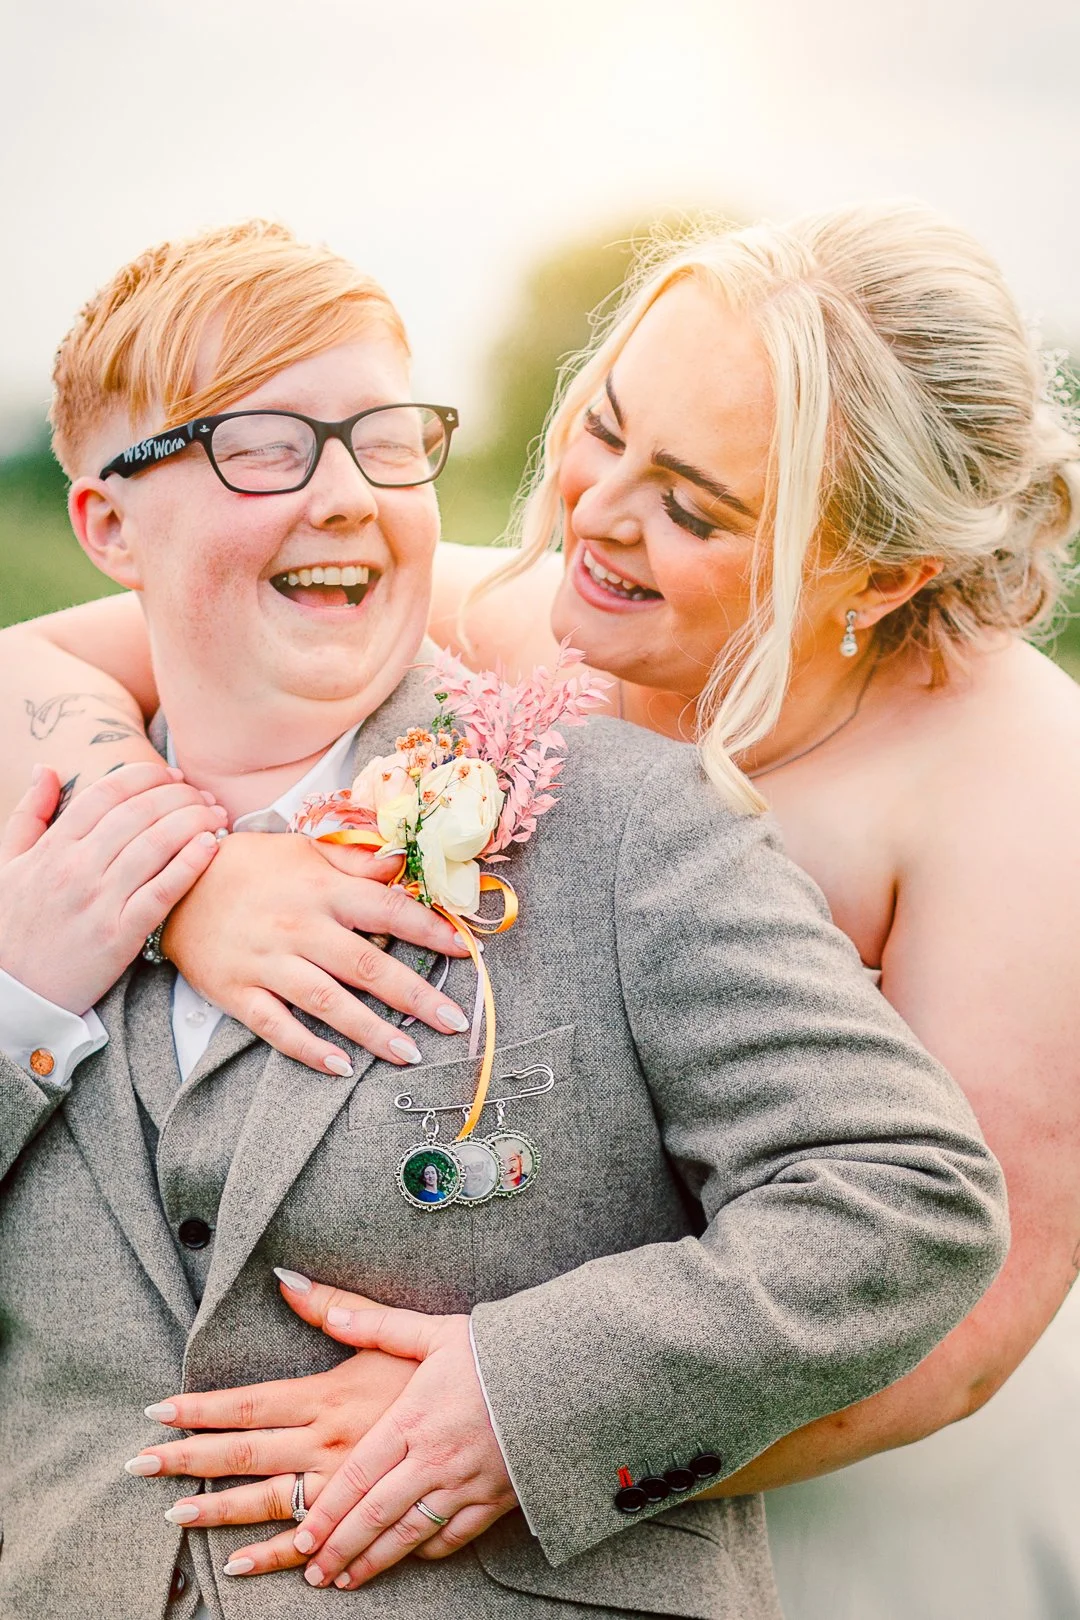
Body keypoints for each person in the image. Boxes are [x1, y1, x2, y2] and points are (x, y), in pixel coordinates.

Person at [9, 201, 1079, 1619]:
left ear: (876, 576)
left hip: (845, 1452)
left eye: (692, 505)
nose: (594, 510)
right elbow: (50, 657)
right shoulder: (524, 621)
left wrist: (514, 1423)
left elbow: (960, 1317)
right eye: (605, 427)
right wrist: (192, 883)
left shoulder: (1018, 782)